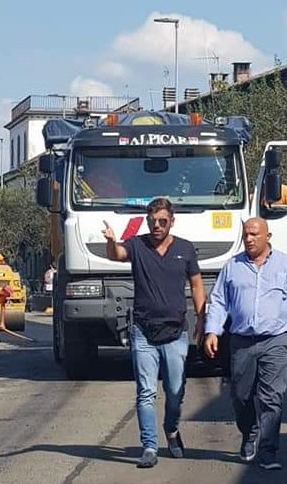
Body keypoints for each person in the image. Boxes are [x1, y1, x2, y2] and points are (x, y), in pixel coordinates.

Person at [203, 217, 287, 470]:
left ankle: (268, 450)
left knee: (272, 397)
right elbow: (219, 301)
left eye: (255, 234)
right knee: (240, 395)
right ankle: (250, 432)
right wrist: (212, 331)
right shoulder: (232, 266)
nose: (249, 239)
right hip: (242, 341)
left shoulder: (286, 265)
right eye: (246, 234)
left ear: (268, 236)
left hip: (276, 339)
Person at [102, 197, 206, 468]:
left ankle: (171, 430)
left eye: (162, 221)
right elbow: (116, 255)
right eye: (152, 221)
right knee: (146, 392)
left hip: (175, 332)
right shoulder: (137, 245)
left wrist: (203, 319)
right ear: (147, 222)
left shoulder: (184, 248)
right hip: (143, 332)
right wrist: (112, 241)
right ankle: (149, 446)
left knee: (175, 390)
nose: (157, 226)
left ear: (172, 221)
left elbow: (196, 285)